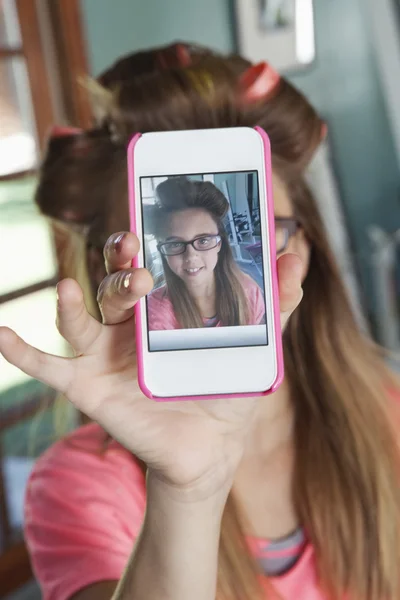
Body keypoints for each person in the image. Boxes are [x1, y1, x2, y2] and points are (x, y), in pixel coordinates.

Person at [0, 42, 399, 600]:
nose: (191, 258)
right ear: (112, 266)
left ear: (302, 247)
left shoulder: (386, 411)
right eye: (167, 243)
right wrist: (188, 491)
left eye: (209, 238)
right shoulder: (76, 486)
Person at [146, 176, 266, 330]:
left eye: (203, 241)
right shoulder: (155, 312)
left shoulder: (249, 292)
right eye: (175, 244)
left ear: (219, 244)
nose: (190, 256)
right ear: (163, 251)